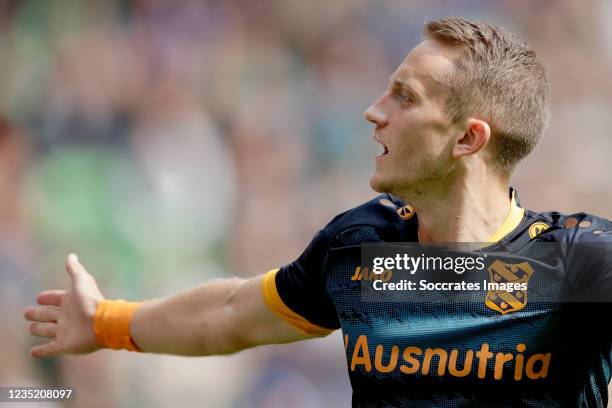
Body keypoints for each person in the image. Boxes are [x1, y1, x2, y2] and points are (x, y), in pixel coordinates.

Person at [24, 17, 612, 407]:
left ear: (468, 139)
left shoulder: (582, 264)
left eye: (405, 97)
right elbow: (232, 313)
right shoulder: (361, 246)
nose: (372, 111)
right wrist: (106, 323)